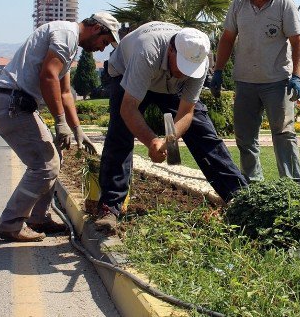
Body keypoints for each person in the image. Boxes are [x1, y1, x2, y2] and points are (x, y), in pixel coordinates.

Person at [96, 21, 248, 230]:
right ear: (170, 50)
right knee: (120, 135)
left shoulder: (199, 59)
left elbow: (186, 112)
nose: (185, 74)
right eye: (182, 66)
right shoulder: (147, 52)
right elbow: (128, 109)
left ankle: (241, 199)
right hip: (127, 72)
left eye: (190, 70)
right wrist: (151, 141)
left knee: (204, 135)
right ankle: (109, 208)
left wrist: (169, 140)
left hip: (168, 83)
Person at [0, 12, 120, 242]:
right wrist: (59, 122)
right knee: (45, 166)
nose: (101, 49)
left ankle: (39, 218)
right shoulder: (66, 34)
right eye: (104, 42)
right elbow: (48, 75)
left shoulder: (69, 45)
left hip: (16, 103)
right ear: (97, 29)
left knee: (54, 155)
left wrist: (76, 128)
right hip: (11, 102)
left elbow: (65, 91)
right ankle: (10, 223)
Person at [211, 0, 300, 183]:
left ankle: (291, 186)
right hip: (245, 81)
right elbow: (227, 39)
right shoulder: (239, 3)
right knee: (245, 137)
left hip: (277, 81)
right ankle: (252, 184)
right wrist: (218, 70)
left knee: (283, 133)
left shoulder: (285, 4)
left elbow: (297, 42)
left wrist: (297, 77)